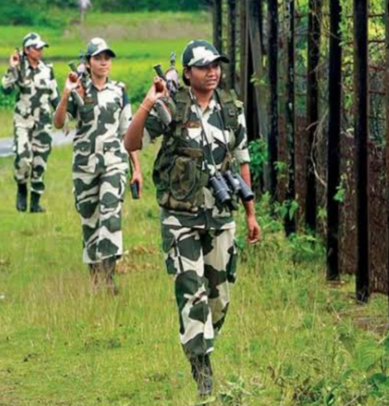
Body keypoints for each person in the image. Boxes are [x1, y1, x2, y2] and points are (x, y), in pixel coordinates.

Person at [124, 40, 261, 398]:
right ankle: (202, 372)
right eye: (203, 66)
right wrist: (148, 104)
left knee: (219, 300)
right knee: (192, 293)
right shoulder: (171, 105)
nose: (212, 72)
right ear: (187, 73)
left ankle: (200, 343)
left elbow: (242, 158)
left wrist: (250, 213)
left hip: (220, 216)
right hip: (180, 218)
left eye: (216, 65)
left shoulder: (231, 109)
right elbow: (131, 142)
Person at [53, 37, 142, 294]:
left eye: (107, 58)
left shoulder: (119, 91)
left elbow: (129, 132)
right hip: (85, 165)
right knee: (89, 219)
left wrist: (136, 168)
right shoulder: (78, 91)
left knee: (111, 215)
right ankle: (95, 278)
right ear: (88, 62)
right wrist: (65, 93)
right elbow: (59, 123)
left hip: (114, 162)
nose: (104, 63)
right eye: (98, 58)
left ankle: (109, 278)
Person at [2, 33, 60, 213]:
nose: (40, 51)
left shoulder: (47, 69)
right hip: (23, 121)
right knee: (23, 157)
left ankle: (35, 202)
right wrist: (12, 68)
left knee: (40, 162)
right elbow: (5, 89)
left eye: (42, 48)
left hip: (43, 122)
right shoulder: (19, 68)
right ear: (27, 50)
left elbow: (54, 95)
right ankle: (21, 188)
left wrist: (62, 115)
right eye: (36, 48)